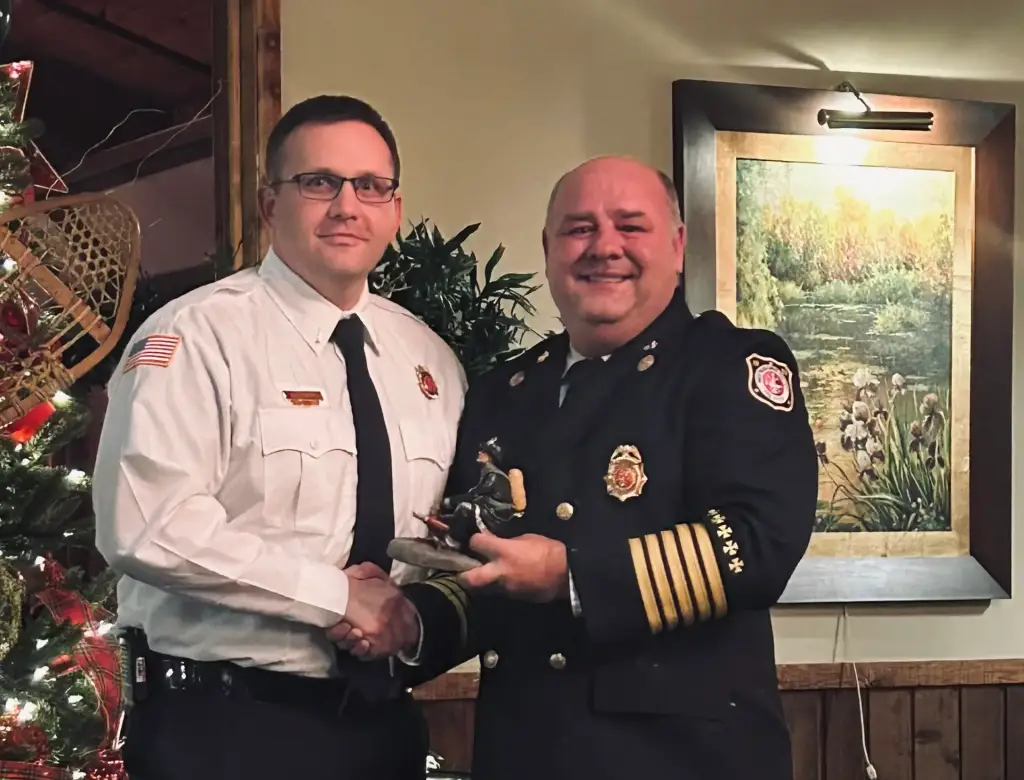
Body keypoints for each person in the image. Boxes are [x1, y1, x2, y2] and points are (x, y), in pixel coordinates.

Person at [336, 156, 818, 780]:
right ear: (549, 249)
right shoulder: (504, 391)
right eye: (579, 228)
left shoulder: (729, 366)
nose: (603, 247)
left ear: (676, 246)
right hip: (525, 751)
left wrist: (570, 575)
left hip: (683, 761)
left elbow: (757, 544)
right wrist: (413, 620)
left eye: (630, 226)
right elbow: (483, 568)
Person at [92, 95, 466, 780]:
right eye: (318, 182)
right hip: (226, 730)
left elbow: (445, 535)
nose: (347, 206)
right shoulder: (197, 338)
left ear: (395, 209)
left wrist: (408, 618)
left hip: (382, 728)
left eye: (370, 186)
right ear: (270, 206)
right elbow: (145, 525)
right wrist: (337, 596)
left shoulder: (431, 362)